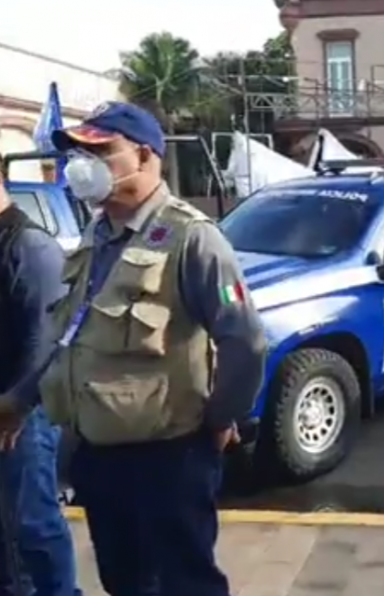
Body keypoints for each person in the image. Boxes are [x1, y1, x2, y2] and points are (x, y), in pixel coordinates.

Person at [0, 102, 268, 596]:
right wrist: (19, 403)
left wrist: (219, 418)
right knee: (125, 582)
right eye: (78, 152)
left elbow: (245, 339)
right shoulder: (96, 237)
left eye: (100, 151)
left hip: (169, 458)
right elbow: (69, 335)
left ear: (144, 156)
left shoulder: (192, 238)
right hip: (99, 458)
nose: (82, 163)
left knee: (182, 583)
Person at [0, 158, 82, 596]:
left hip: (22, 415)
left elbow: (46, 340)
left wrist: (15, 407)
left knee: (31, 524)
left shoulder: (30, 246)